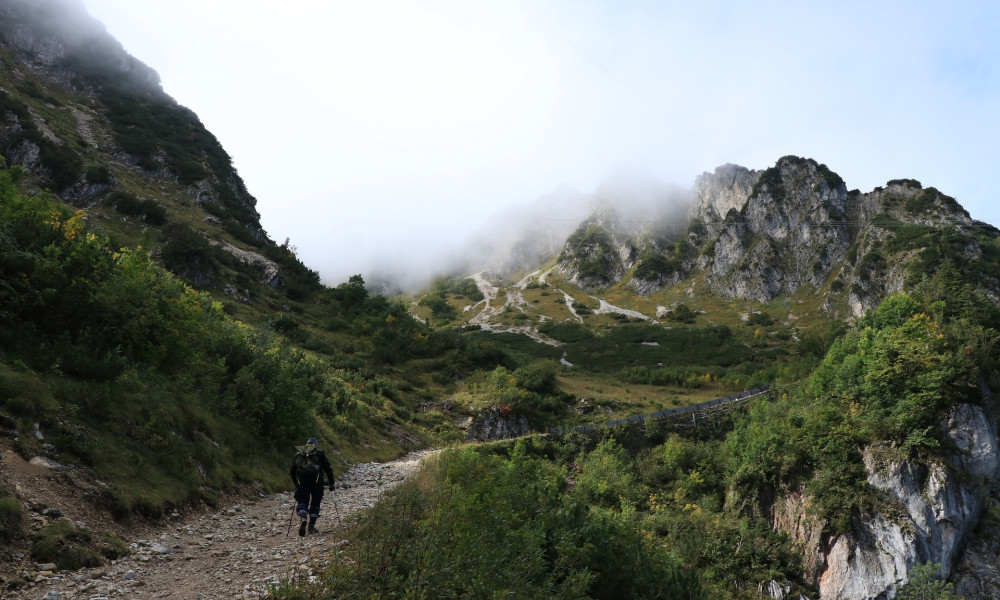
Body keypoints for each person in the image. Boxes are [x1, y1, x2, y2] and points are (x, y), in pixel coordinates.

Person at [290, 437, 335, 536]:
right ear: (316, 445)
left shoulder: (300, 454)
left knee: (302, 501)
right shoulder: (319, 453)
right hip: (317, 483)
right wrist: (331, 483)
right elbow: (328, 468)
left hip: (302, 483)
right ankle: (311, 527)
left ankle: (303, 517)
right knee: (315, 503)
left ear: (307, 444)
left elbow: (292, 471)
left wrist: (296, 483)